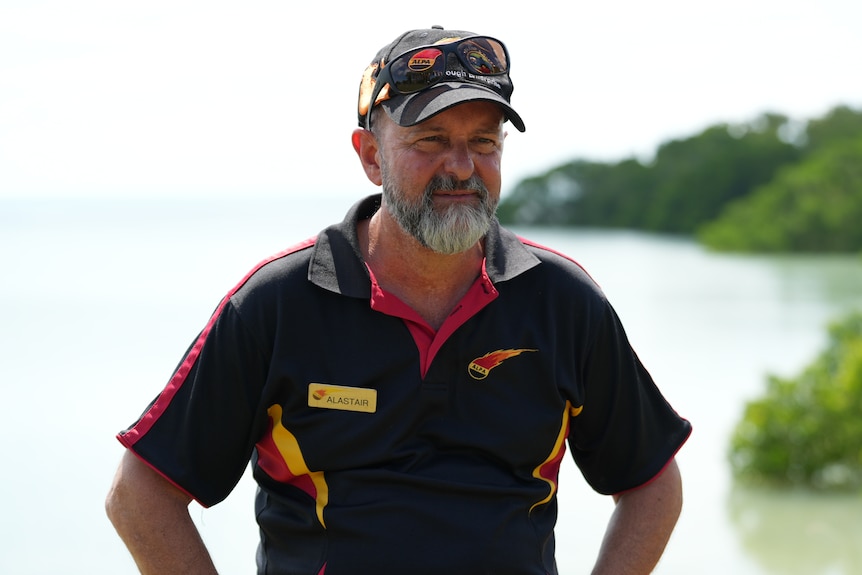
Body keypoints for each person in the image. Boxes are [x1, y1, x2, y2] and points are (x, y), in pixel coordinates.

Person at [105, 25, 691, 575]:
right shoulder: (276, 306)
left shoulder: (563, 302)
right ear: (370, 156)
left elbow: (650, 484)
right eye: (430, 141)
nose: (461, 167)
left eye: (483, 143)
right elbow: (141, 495)